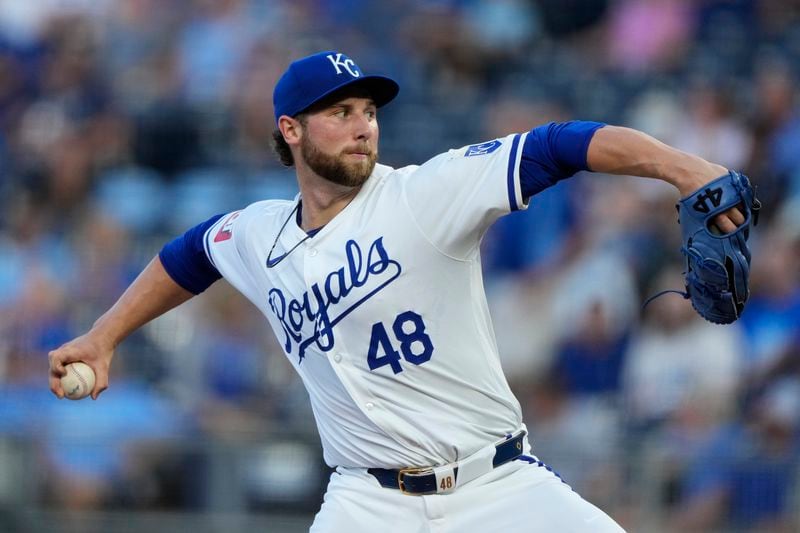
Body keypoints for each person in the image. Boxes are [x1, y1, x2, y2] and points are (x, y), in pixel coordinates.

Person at [48, 50, 744, 532]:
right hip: (366, 502)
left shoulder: (425, 193)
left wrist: (681, 167)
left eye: (368, 111)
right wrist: (104, 335)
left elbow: (557, 145)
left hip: (496, 486)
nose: (362, 124)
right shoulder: (258, 235)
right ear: (289, 131)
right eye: (340, 112)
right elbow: (189, 254)